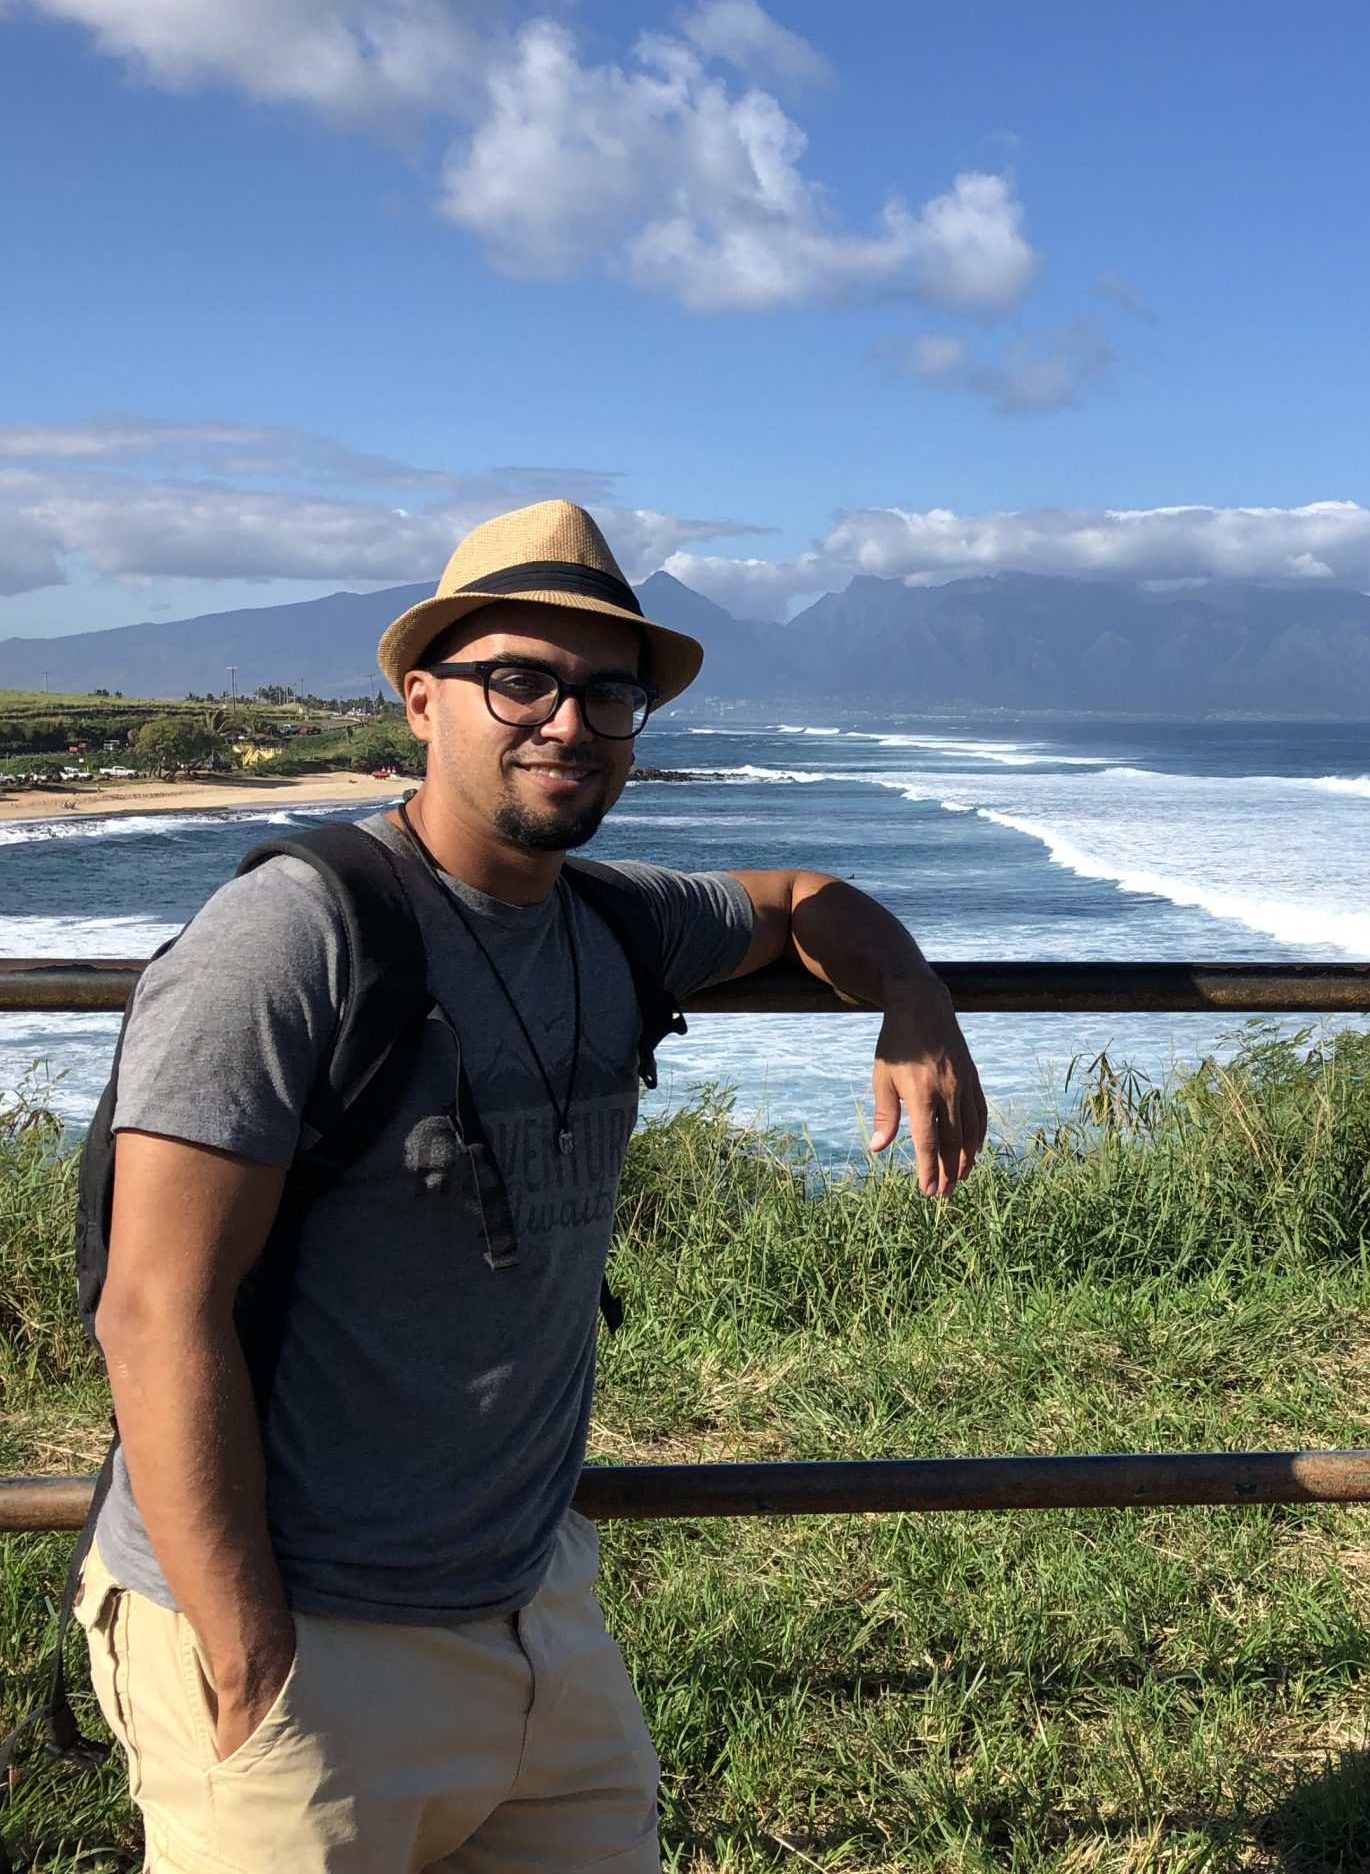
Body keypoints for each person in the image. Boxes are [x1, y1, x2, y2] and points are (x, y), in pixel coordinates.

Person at [76, 499, 986, 1870]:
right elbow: (153, 1308)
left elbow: (806, 899)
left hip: (535, 1616)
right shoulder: (293, 935)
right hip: (301, 1635)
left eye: (606, 692)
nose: (567, 720)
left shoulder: (616, 919)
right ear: (422, 701)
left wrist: (913, 995)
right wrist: (249, 1651)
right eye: (522, 680)